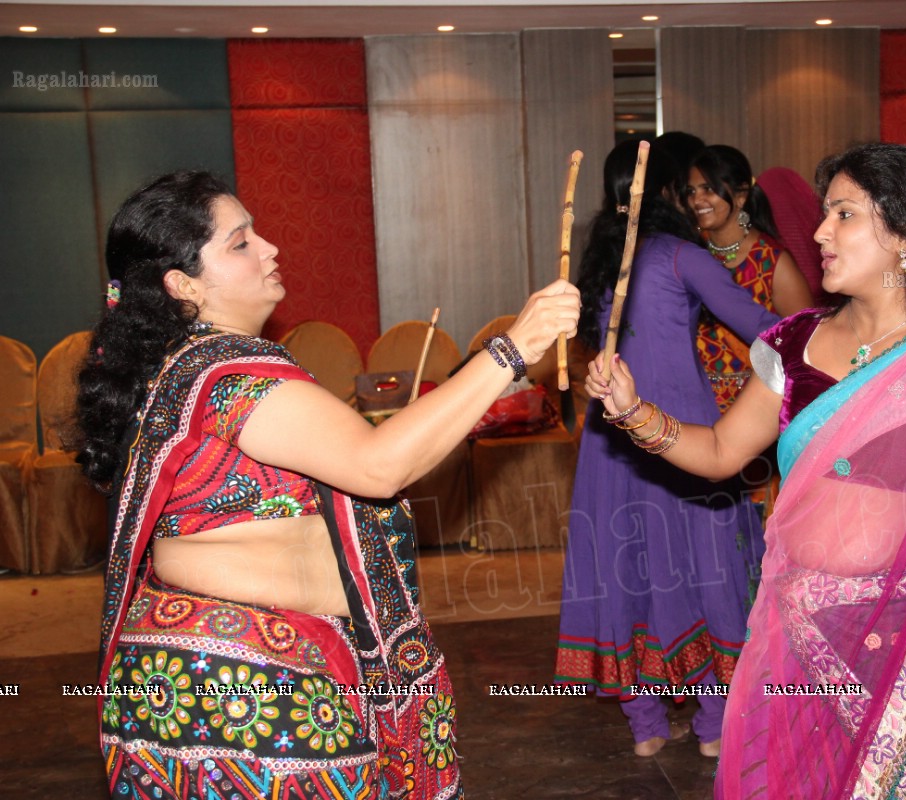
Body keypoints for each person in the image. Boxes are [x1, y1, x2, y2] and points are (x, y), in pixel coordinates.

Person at [75, 171, 580, 798]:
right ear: (181, 284)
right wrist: (511, 348)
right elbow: (377, 466)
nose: (269, 249)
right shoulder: (227, 376)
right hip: (247, 691)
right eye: (240, 243)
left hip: (214, 671)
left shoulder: (180, 369)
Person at [585, 143, 906, 798]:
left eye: (844, 215)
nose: (818, 232)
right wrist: (632, 410)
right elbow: (722, 452)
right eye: (824, 214)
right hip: (795, 631)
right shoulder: (794, 343)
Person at [554, 140, 780, 759]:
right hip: (684, 435)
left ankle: (647, 726)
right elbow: (766, 328)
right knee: (706, 566)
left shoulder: (600, 266)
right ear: (668, 194)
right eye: (691, 186)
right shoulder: (682, 256)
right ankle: (712, 726)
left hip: (610, 438)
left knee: (628, 567)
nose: (699, 197)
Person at [685, 144, 815, 411]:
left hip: (755, 410)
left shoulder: (773, 263)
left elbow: (807, 345)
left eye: (708, 189)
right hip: (696, 403)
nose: (697, 200)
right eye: (691, 191)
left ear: (741, 195)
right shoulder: (690, 255)